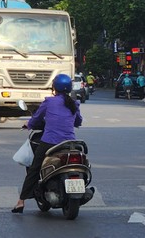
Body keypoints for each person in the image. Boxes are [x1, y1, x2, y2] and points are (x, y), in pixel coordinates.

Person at [12, 74, 92, 213]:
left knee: (34, 168)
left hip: (50, 142)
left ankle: (21, 201)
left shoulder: (49, 102)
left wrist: (28, 124)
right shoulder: (74, 103)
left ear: (54, 87)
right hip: (70, 143)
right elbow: (78, 121)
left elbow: (36, 119)